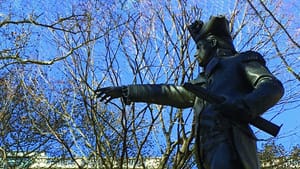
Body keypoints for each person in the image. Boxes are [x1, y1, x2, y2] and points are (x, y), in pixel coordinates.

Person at [96, 16, 284, 169]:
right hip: (205, 153)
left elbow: (272, 86)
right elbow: (166, 92)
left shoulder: (240, 61)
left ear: (211, 42)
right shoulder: (202, 84)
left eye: (198, 48)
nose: (195, 55)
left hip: (231, 143)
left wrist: (246, 105)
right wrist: (127, 90)